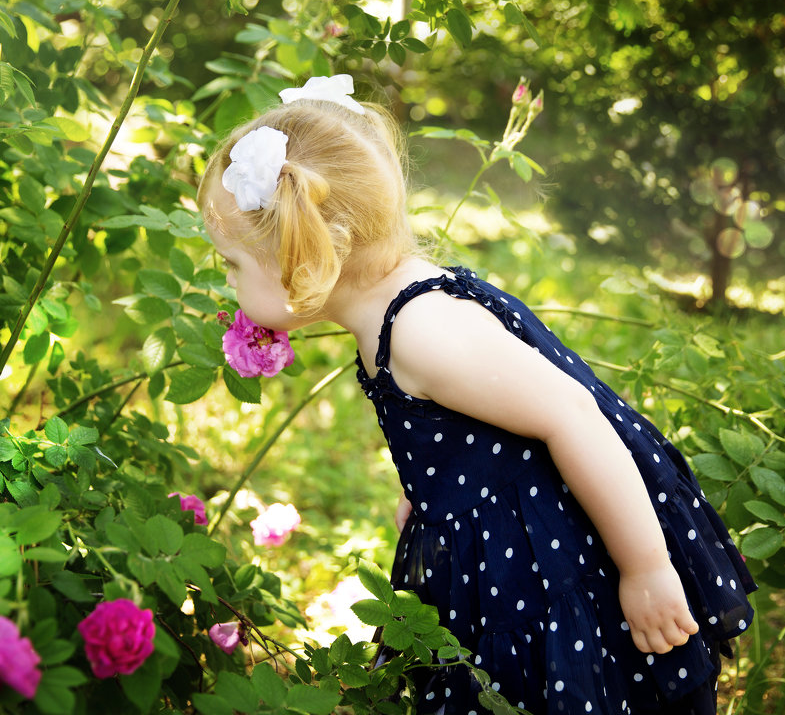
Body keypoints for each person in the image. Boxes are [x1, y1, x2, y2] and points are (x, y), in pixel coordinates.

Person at [197, 75, 755, 714]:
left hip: (550, 555)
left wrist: (646, 570)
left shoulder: (423, 331)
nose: (229, 280)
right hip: (495, 541)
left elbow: (575, 415)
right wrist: (427, 495)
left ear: (306, 255)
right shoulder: (387, 312)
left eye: (234, 264)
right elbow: (467, 432)